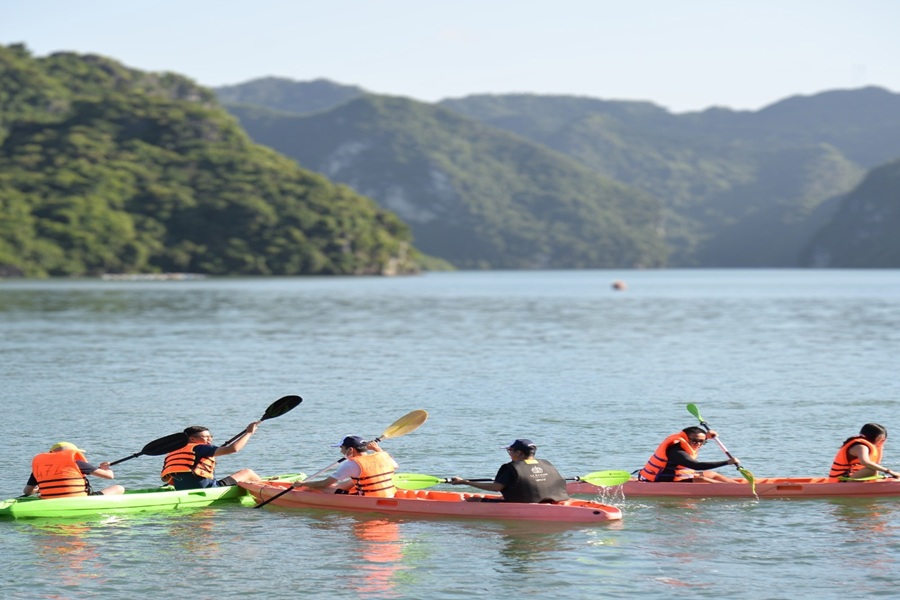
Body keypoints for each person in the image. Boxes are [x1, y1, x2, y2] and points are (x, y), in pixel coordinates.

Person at [448, 438, 569, 503]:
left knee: (472, 500)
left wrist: (465, 482)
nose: (509, 453)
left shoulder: (511, 467)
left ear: (519, 452)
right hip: (551, 501)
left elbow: (496, 488)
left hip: (524, 504)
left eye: (510, 450)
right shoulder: (546, 464)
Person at [161, 422, 263, 490]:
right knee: (247, 472)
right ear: (192, 439)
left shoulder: (174, 451)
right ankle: (266, 489)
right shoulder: (201, 448)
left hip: (181, 488)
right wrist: (249, 433)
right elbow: (233, 449)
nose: (210, 440)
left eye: (211, 437)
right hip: (208, 489)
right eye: (206, 437)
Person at [296, 436, 398, 497]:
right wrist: (378, 449)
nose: (341, 451)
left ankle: (300, 493)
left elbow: (323, 483)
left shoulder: (352, 464)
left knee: (318, 488)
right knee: (353, 481)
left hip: (367, 499)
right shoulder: (382, 455)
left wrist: (302, 484)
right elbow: (395, 466)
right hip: (390, 494)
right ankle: (336, 488)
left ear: (351, 450)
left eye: (342, 448)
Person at [638, 426, 742, 483]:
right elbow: (696, 466)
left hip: (678, 477)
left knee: (712, 474)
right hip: (662, 481)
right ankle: (737, 491)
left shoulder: (689, 444)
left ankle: (738, 486)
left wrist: (709, 435)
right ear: (686, 439)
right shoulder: (676, 452)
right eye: (695, 441)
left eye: (702, 441)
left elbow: (700, 437)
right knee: (701, 479)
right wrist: (727, 462)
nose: (698, 444)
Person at [23, 441, 124, 499]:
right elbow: (109, 476)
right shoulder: (77, 463)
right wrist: (106, 469)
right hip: (78, 499)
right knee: (119, 488)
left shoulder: (39, 467)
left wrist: (38, 490)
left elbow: (27, 491)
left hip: (49, 499)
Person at [829, 423, 900, 481]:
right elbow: (865, 462)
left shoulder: (865, 445)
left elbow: (876, 464)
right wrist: (889, 471)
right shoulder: (861, 447)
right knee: (872, 469)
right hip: (842, 480)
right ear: (878, 438)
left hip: (851, 478)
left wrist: (880, 448)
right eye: (881, 439)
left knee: (874, 468)